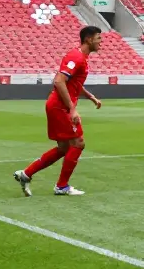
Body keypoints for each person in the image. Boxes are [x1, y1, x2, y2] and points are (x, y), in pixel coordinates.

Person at [14, 26, 104, 196]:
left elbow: (72, 82)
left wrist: (91, 96)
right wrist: (72, 109)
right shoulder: (76, 56)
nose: (101, 42)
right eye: (99, 38)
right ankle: (62, 186)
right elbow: (59, 81)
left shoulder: (80, 57)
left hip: (57, 105)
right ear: (88, 39)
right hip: (60, 106)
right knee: (78, 143)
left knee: (64, 148)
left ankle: (26, 174)